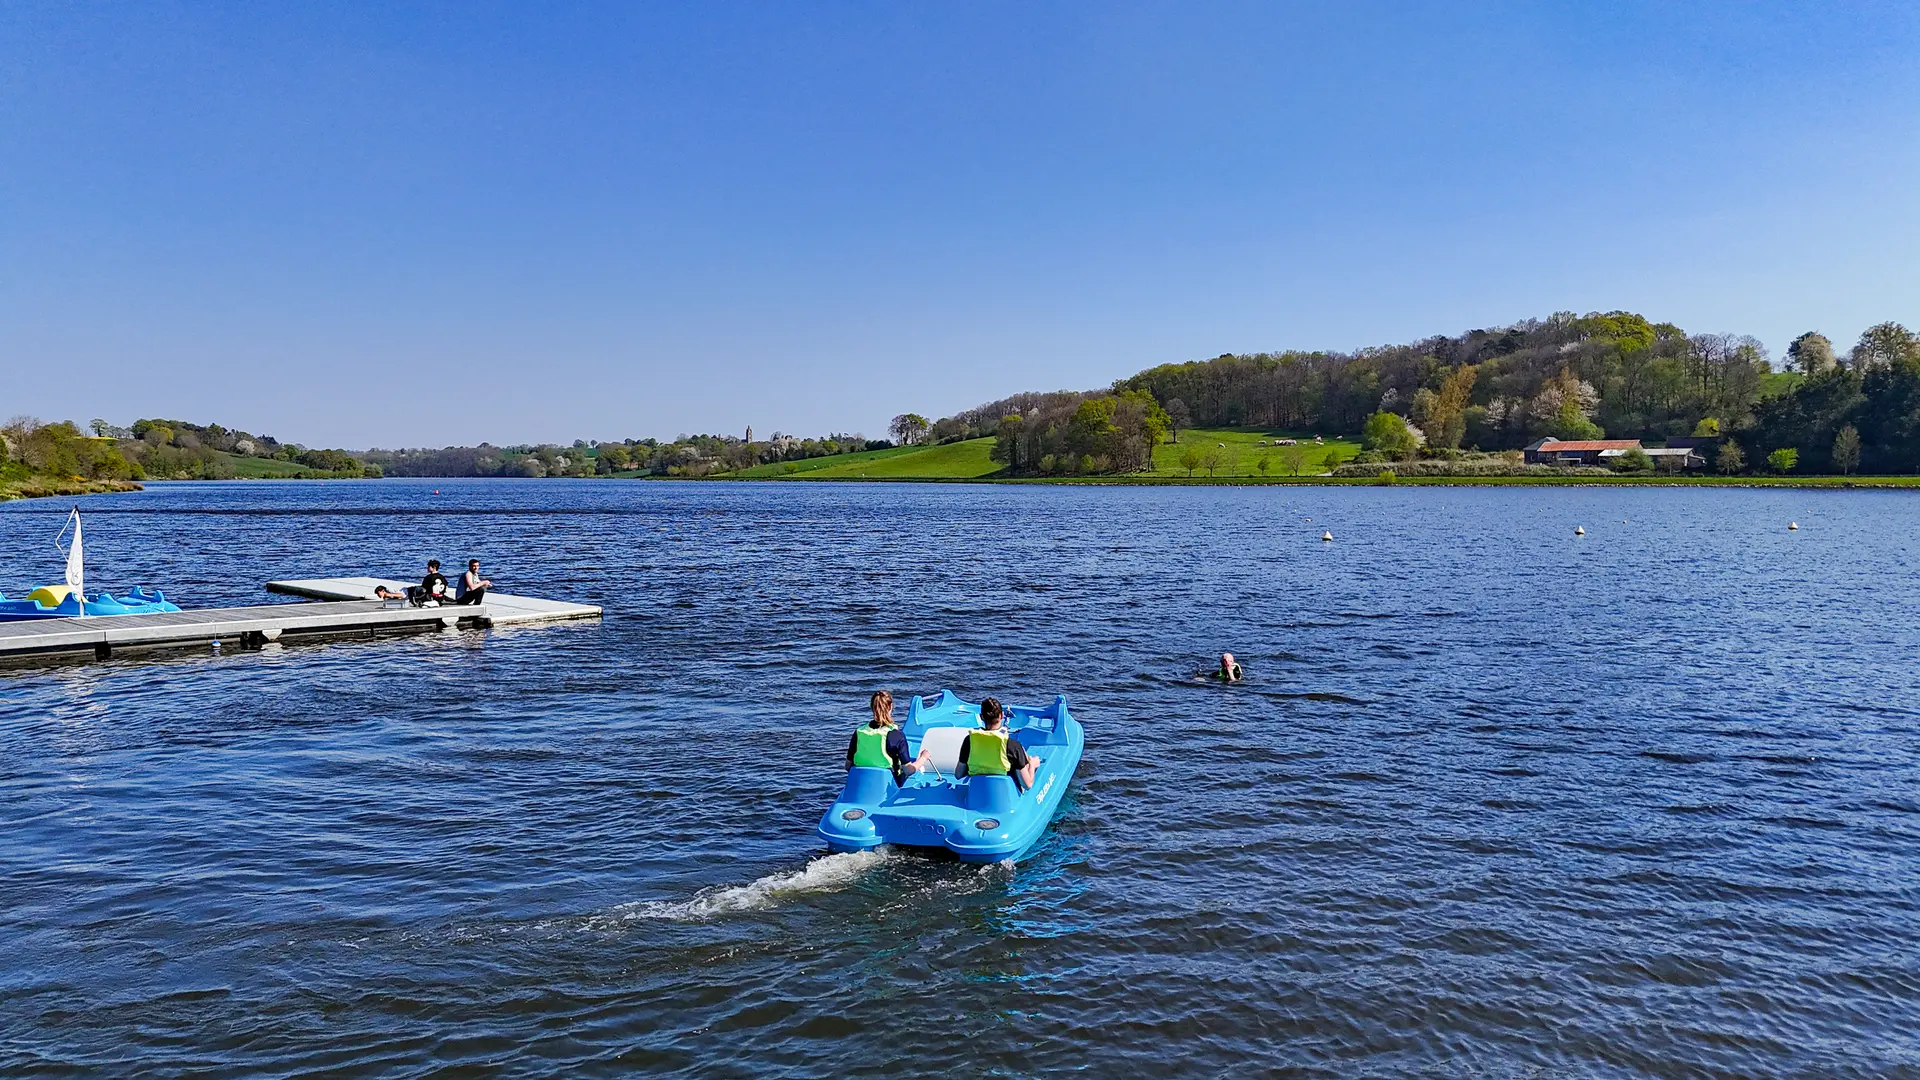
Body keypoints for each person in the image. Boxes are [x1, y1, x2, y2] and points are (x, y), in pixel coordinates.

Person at [845, 690, 931, 785]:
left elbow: (848, 766)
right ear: (890, 707)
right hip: (886, 785)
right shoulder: (897, 735)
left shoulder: (859, 732)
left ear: (871, 707)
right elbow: (908, 770)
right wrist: (923, 758)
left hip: (859, 784)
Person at [957, 697, 1037, 791]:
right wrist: (1032, 765)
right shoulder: (1013, 746)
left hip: (976, 791)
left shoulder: (969, 741)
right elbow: (1027, 785)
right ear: (1002, 715)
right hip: (1004, 793)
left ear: (981, 717)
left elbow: (958, 774)